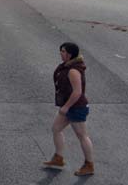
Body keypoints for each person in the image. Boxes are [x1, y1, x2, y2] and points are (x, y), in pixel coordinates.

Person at [42, 41, 95, 176]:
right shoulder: (68, 66)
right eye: (61, 50)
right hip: (69, 105)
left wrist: (66, 107)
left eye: (63, 51)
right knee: (56, 129)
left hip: (76, 107)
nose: (61, 53)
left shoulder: (73, 70)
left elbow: (77, 92)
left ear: (70, 54)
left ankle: (89, 165)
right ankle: (58, 158)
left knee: (82, 136)